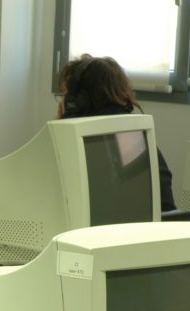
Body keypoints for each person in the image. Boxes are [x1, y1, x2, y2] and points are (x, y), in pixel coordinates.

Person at [57, 54, 178, 212]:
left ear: (77, 102)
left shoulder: (78, 150)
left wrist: (61, 125)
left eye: (65, 95)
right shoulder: (141, 141)